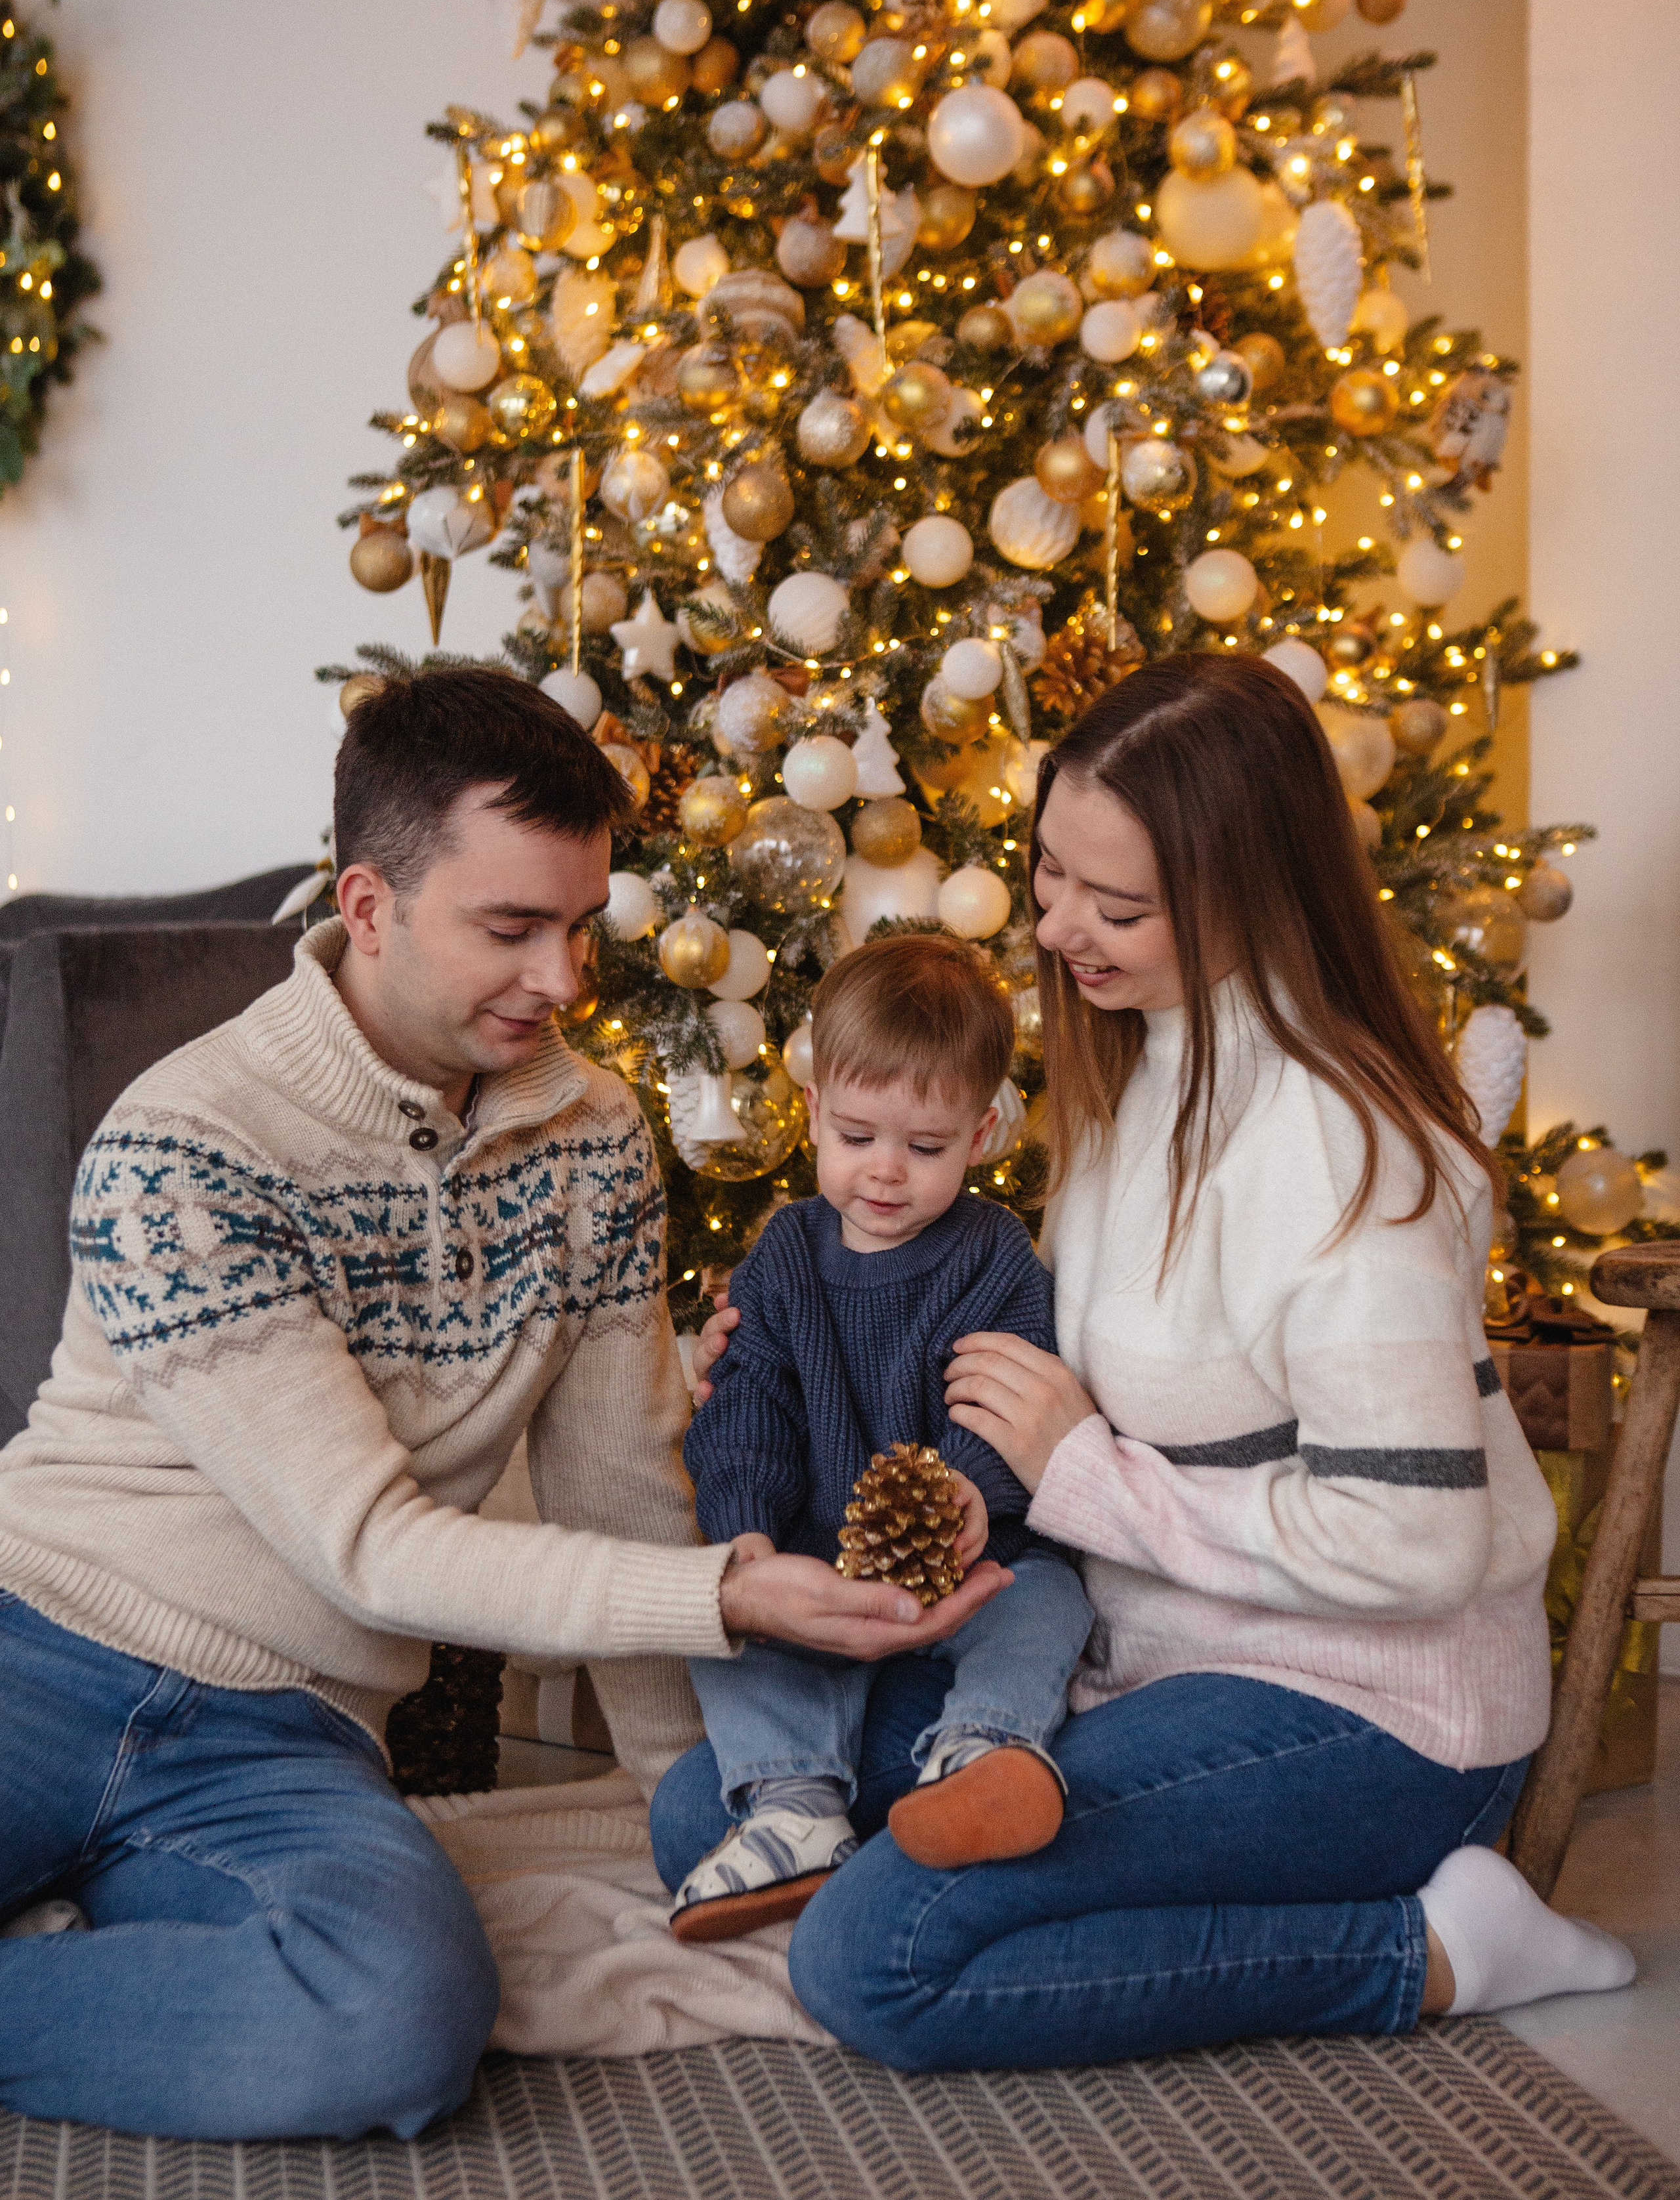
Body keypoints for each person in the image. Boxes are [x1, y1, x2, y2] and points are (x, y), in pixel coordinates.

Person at [0, 669, 1003, 2141]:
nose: (565, 977)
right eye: (511, 928)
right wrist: (728, 1595)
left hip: (281, 1743)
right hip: (39, 1654)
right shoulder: (186, 1145)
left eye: (581, 925)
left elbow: (622, 1481)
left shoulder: (592, 1139)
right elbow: (372, 1547)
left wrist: (702, 1813)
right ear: (367, 903)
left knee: (394, 2024)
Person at [671, 654, 1635, 2069]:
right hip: (1138, 1659)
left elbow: (1416, 1540)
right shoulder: (1139, 1070)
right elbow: (1030, 1363)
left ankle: (1435, 1946)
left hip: (1365, 1706)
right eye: (1047, 873)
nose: (1056, 926)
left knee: (872, 1958)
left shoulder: (1348, 1162)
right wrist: (785, 1351)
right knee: (712, 1809)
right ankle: (1145, 1866)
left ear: (1250, 896)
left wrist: (1079, 1475)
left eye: (1112, 905)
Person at [661, 937, 1094, 1943]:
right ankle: (795, 1805)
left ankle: (983, 1754)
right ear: (811, 1111)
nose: (886, 1173)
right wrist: (749, 1533)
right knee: (726, 1615)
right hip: (818, 1565)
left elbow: (1002, 1398)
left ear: (983, 1131)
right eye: (857, 1136)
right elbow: (747, 1405)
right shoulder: (782, 1257)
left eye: (926, 1147)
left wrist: (972, 1493)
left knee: (1050, 1600)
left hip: (968, 1558)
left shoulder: (994, 1259)